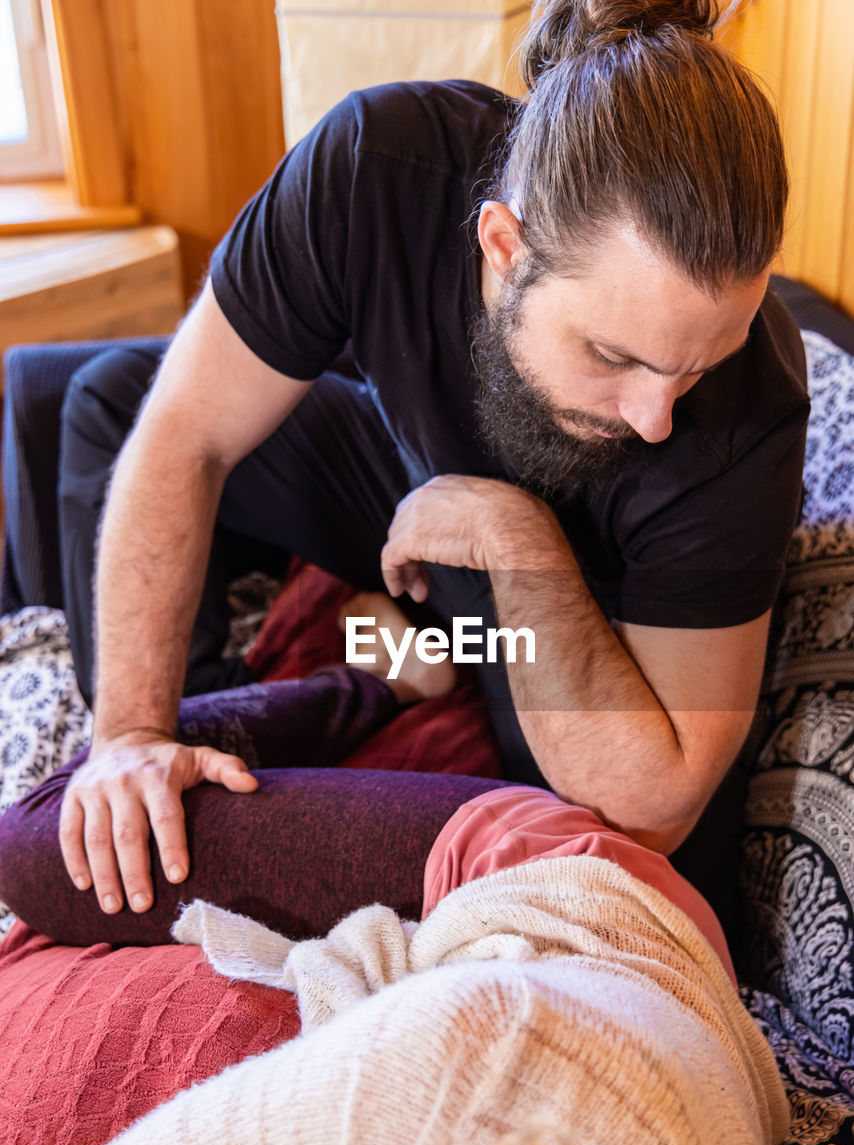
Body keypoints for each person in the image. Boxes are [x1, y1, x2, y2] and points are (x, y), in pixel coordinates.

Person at [51, 0, 809, 925]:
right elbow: (185, 433)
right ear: (504, 245)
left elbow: (656, 802)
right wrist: (131, 733)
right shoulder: (375, 165)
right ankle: (261, 708)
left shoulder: (751, 408)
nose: (658, 418)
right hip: (416, 491)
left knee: (599, 860)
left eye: (697, 365)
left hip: (588, 620)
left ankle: (399, 667)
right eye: (616, 356)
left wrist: (513, 536)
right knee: (111, 399)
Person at [0, 760, 798, 1145]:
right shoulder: (420, 1074)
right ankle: (380, 678)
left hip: (665, 1014)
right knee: (41, 843)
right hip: (550, 878)